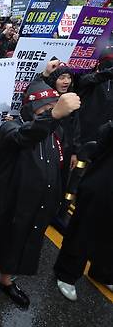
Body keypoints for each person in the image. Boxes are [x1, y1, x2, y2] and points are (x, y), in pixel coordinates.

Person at [0, 79, 81, 310]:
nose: (50, 112)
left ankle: (4, 278)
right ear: (30, 109)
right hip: (6, 202)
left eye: (53, 107)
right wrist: (54, 115)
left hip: (35, 205)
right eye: (45, 109)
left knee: (19, 242)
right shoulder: (11, 128)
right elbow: (25, 136)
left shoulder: (54, 132)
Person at [54, 121, 113, 301]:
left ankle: (103, 271)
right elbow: (104, 135)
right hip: (104, 182)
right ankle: (67, 273)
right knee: (84, 228)